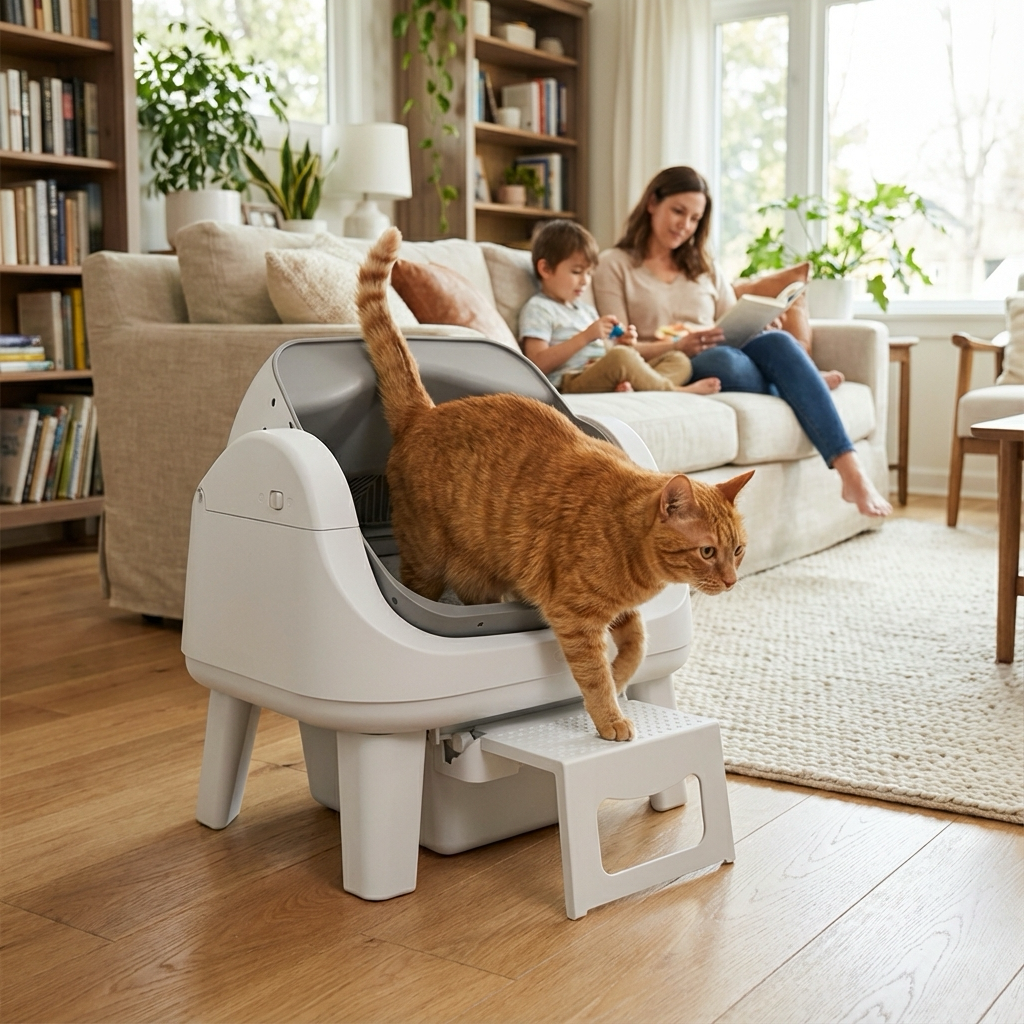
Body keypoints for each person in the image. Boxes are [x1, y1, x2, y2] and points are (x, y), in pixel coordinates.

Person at [592, 166, 890, 517]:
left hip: (725, 346)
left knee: (777, 340)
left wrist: (758, 323)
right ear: (652, 203)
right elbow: (617, 349)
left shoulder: (705, 268)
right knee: (726, 362)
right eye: (678, 211)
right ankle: (797, 383)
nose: (684, 225)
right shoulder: (615, 265)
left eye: (694, 218)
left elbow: (731, 322)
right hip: (673, 362)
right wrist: (678, 345)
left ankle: (851, 472)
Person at [518, 220, 722, 396]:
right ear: (545, 268)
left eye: (589, 273)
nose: (585, 281)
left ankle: (638, 386)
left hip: (603, 371)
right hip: (569, 381)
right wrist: (586, 337)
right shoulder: (539, 308)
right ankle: (677, 391)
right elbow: (536, 363)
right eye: (577, 271)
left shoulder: (585, 310)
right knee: (621, 359)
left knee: (678, 360)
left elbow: (608, 351)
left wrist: (623, 342)